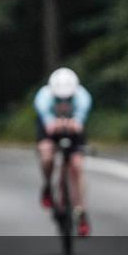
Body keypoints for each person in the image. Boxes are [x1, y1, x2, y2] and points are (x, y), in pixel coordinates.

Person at [34, 67, 93, 236]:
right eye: (59, 99)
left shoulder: (83, 97)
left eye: (68, 99)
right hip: (50, 129)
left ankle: (81, 211)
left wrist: (75, 123)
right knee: (46, 155)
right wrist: (54, 123)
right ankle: (47, 185)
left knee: (77, 166)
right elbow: (47, 124)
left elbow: (80, 122)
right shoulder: (43, 97)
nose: (64, 103)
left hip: (73, 130)